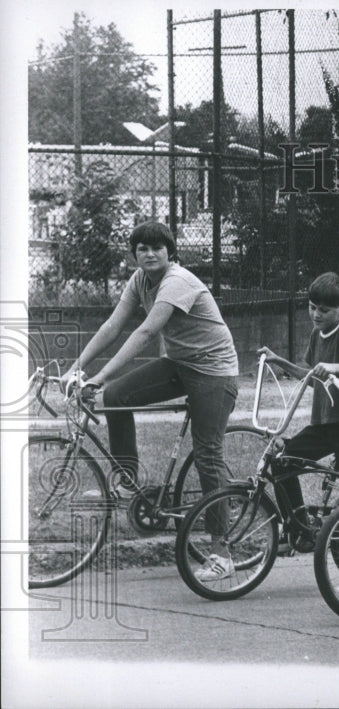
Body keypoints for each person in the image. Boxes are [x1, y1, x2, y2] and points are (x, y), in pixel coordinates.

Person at [60, 220, 239, 581]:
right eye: (142, 248)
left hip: (214, 372)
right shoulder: (140, 280)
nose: (150, 253)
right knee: (116, 395)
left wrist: (98, 375)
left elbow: (145, 332)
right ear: (135, 255)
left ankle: (222, 551)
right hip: (179, 364)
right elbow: (113, 325)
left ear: (170, 252)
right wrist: (75, 368)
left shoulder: (178, 282)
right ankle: (127, 481)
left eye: (158, 247)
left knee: (207, 453)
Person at [257, 272, 339, 558]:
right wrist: (278, 361)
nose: (316, 314)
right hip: (325, 424)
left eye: (324, 310)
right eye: (312, 307)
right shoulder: (318, 332)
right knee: (281, 463)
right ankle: (299, 532)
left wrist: (337, 368)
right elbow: (311, 375)